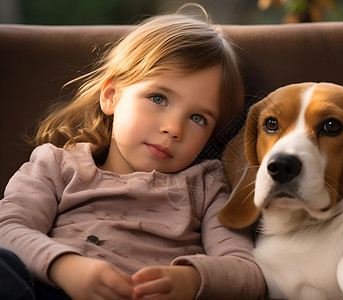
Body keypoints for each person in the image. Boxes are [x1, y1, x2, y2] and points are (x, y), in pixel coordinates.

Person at [0, 12, 266, 300]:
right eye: (158, 98)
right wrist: (65, 266)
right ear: (112, 96)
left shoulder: (206, 186)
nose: (173, 129)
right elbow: (8, 229)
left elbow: (248, 272)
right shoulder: (57, 164)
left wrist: (191, 279)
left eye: (198, 118)